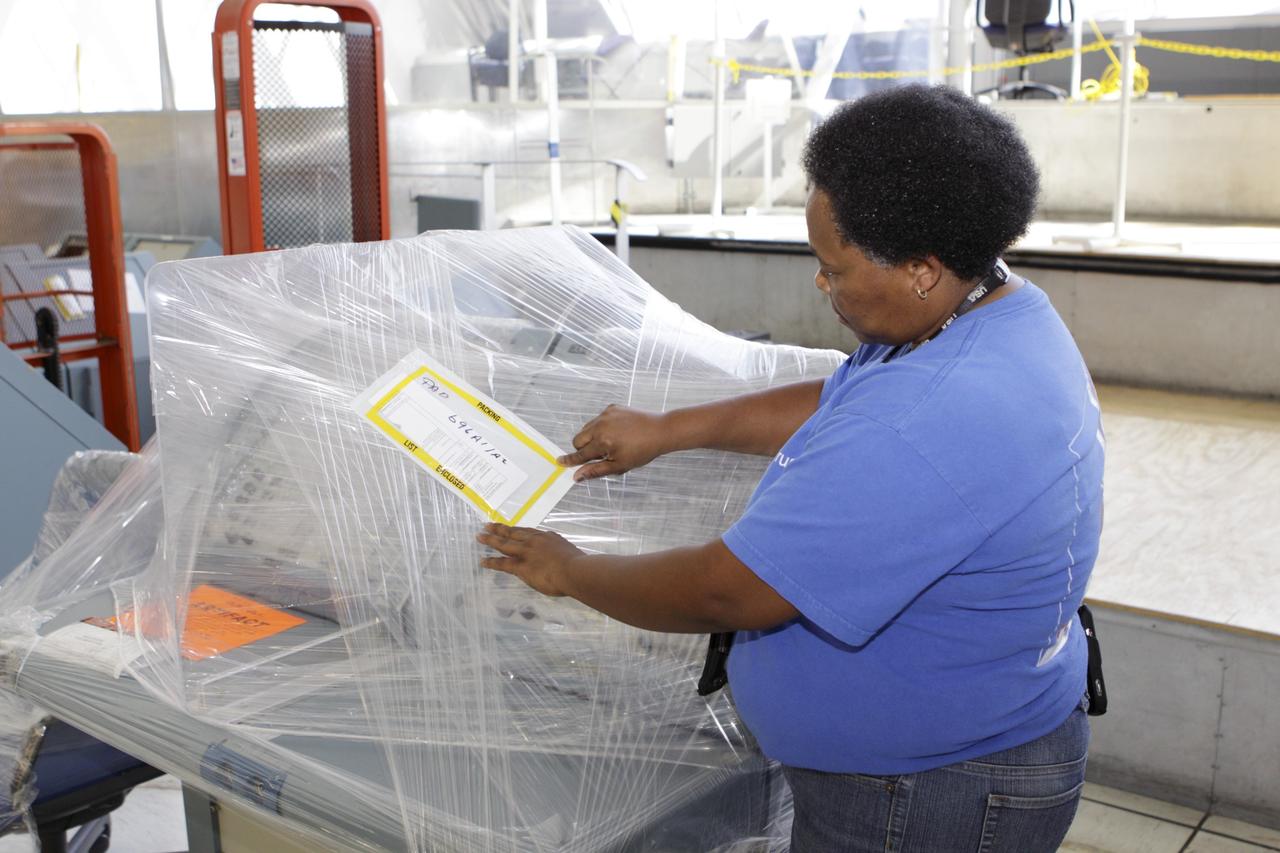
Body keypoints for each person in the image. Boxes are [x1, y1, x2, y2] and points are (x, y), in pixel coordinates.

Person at [476, 84, 1103, 852]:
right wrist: (671, 429)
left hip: (926, 794)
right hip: (948, 752)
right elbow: (848, 394)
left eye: (833, 267)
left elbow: (727, 587)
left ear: (919, 269)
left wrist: (569, 570)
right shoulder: (989, 309)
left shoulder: (930, 416)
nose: (822, 282)